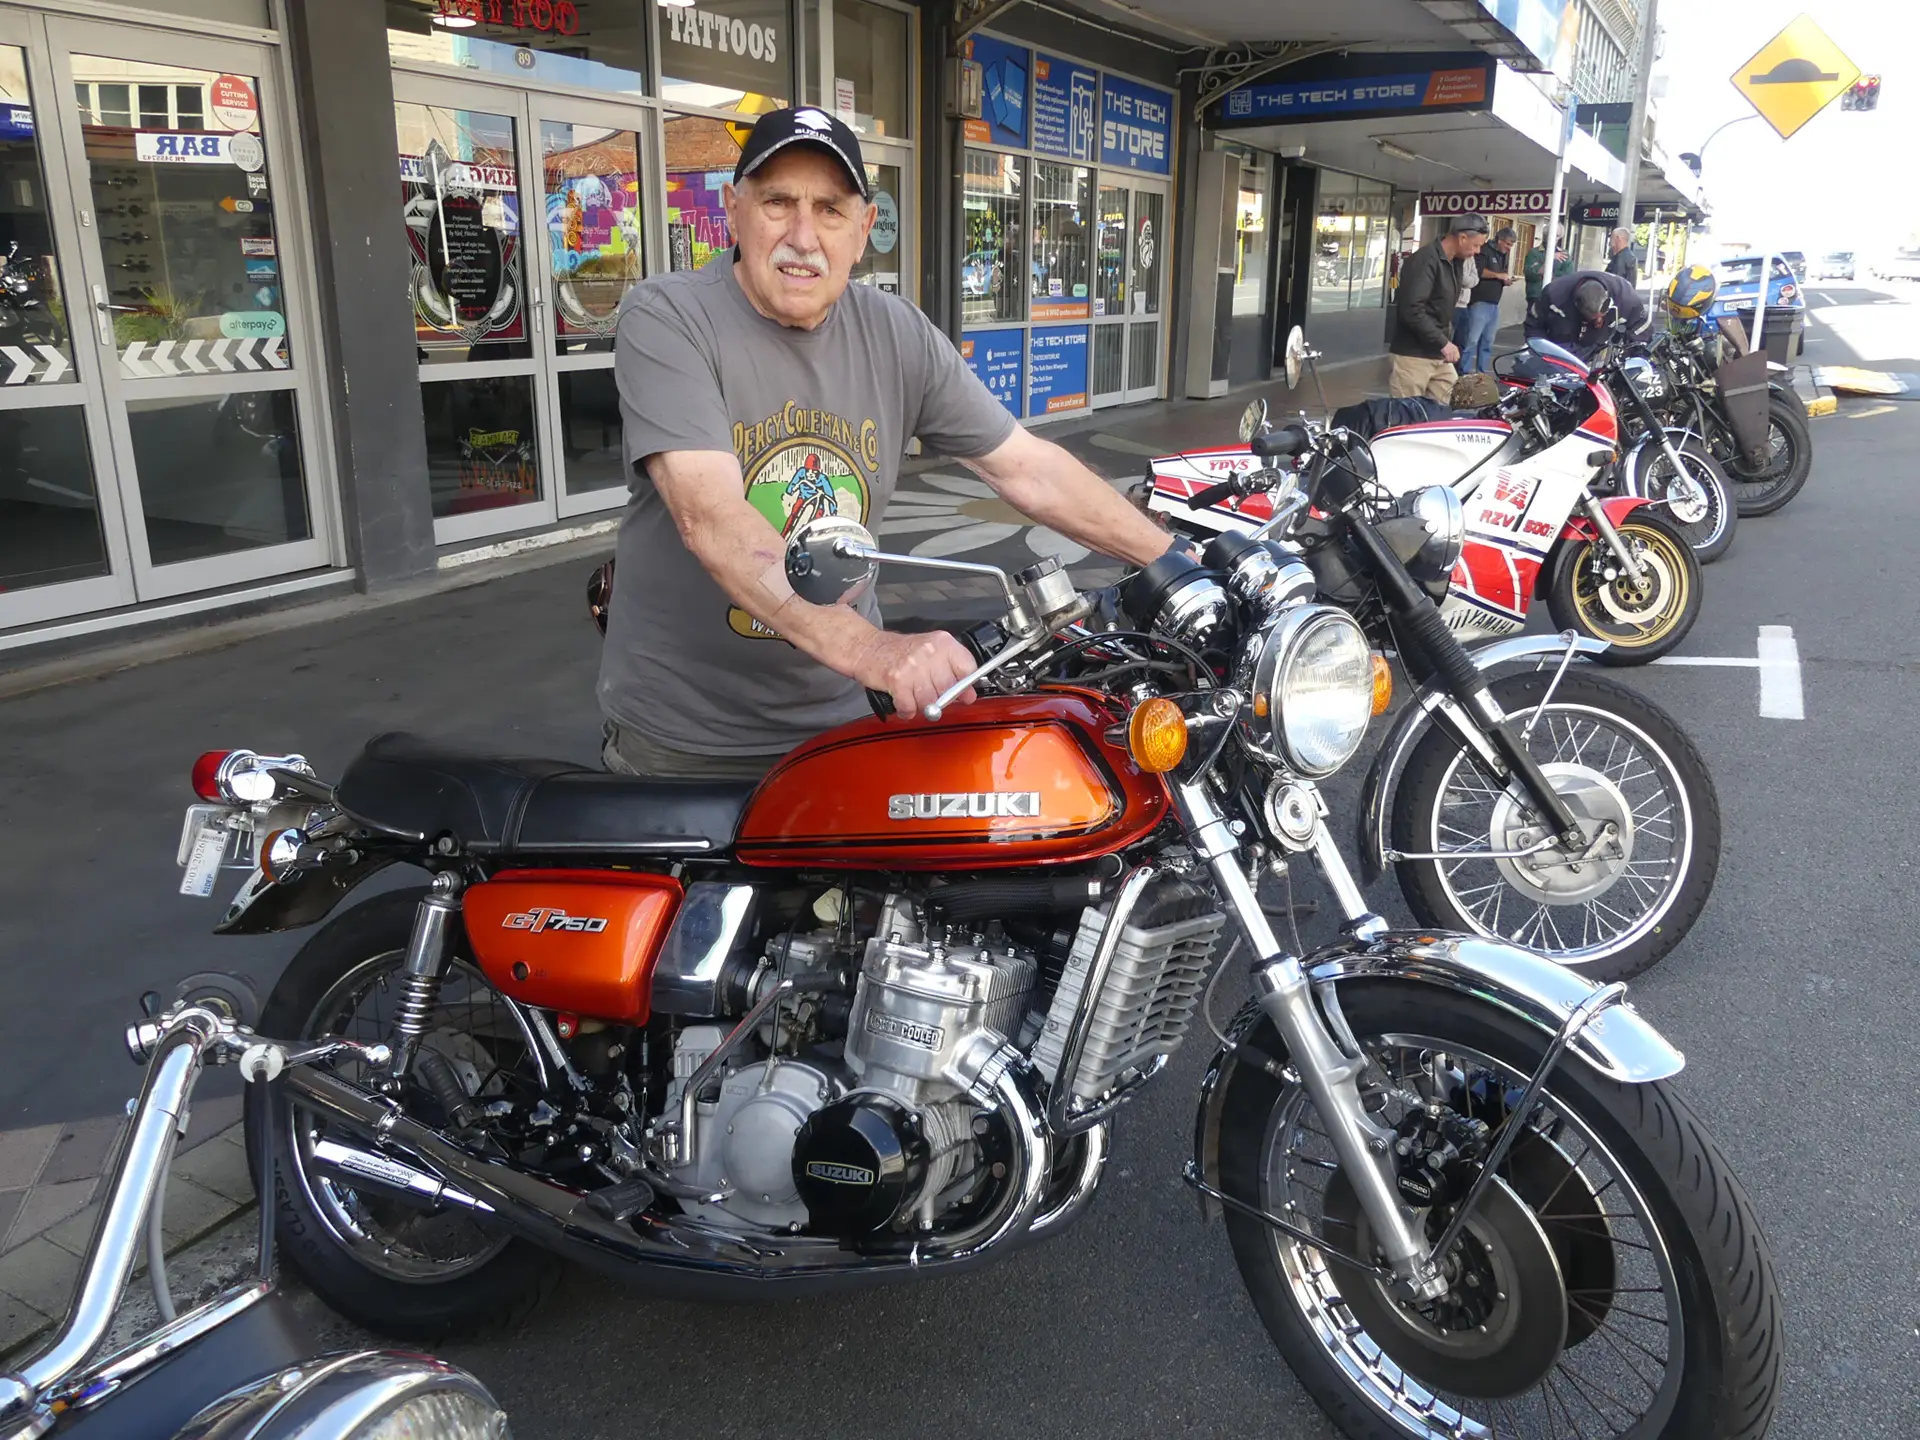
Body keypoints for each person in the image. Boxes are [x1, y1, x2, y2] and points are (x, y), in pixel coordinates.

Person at [597, 107, 1175, 782]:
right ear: (733, 210)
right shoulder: (669, 316)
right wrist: (874, 651)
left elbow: (1028, 468)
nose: (803, 237)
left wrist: (1175, 562)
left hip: (846, 722)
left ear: (864, 228)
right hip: (688, 740)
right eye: (778, 203)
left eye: (830, 210)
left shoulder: (895, 333)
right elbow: (711, 516)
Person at [1390, 213, 1488, 403]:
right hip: (1413, 355)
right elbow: (1412, 310)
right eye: (1476, 245)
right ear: (1462, 238)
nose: (1477, 251)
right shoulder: (1425, 260)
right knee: (1407, 414)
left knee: (1451, 405)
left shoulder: (1456, 262)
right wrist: (1443, 342)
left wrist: (1444, 341)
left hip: (1438, 353)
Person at [1524, 269, 1651, 360]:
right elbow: (1533, 326)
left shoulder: (1625, 296)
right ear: (1577, 306)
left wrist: (1634, 356)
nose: (1598, 322)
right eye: (1593, 320)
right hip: (1560, 353)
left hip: (1600, 352)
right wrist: (1544, 353)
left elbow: (1642, 327)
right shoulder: (1553, 295)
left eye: (1601, 316)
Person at [1459, 226, 1521, 374]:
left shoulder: (1503, 255)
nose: (1509, 248)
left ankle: (1481, 374)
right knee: (1472, 340)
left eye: (1511, 245)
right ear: (1499, 240)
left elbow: (1500, 274)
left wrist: (1505, 280)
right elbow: (1478, 271)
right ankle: (1463, 372)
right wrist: (1498, 275)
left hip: (1494, 303)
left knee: (1487, 341)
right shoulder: (1483, 250)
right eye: (1507, 244)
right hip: (1479, 301)